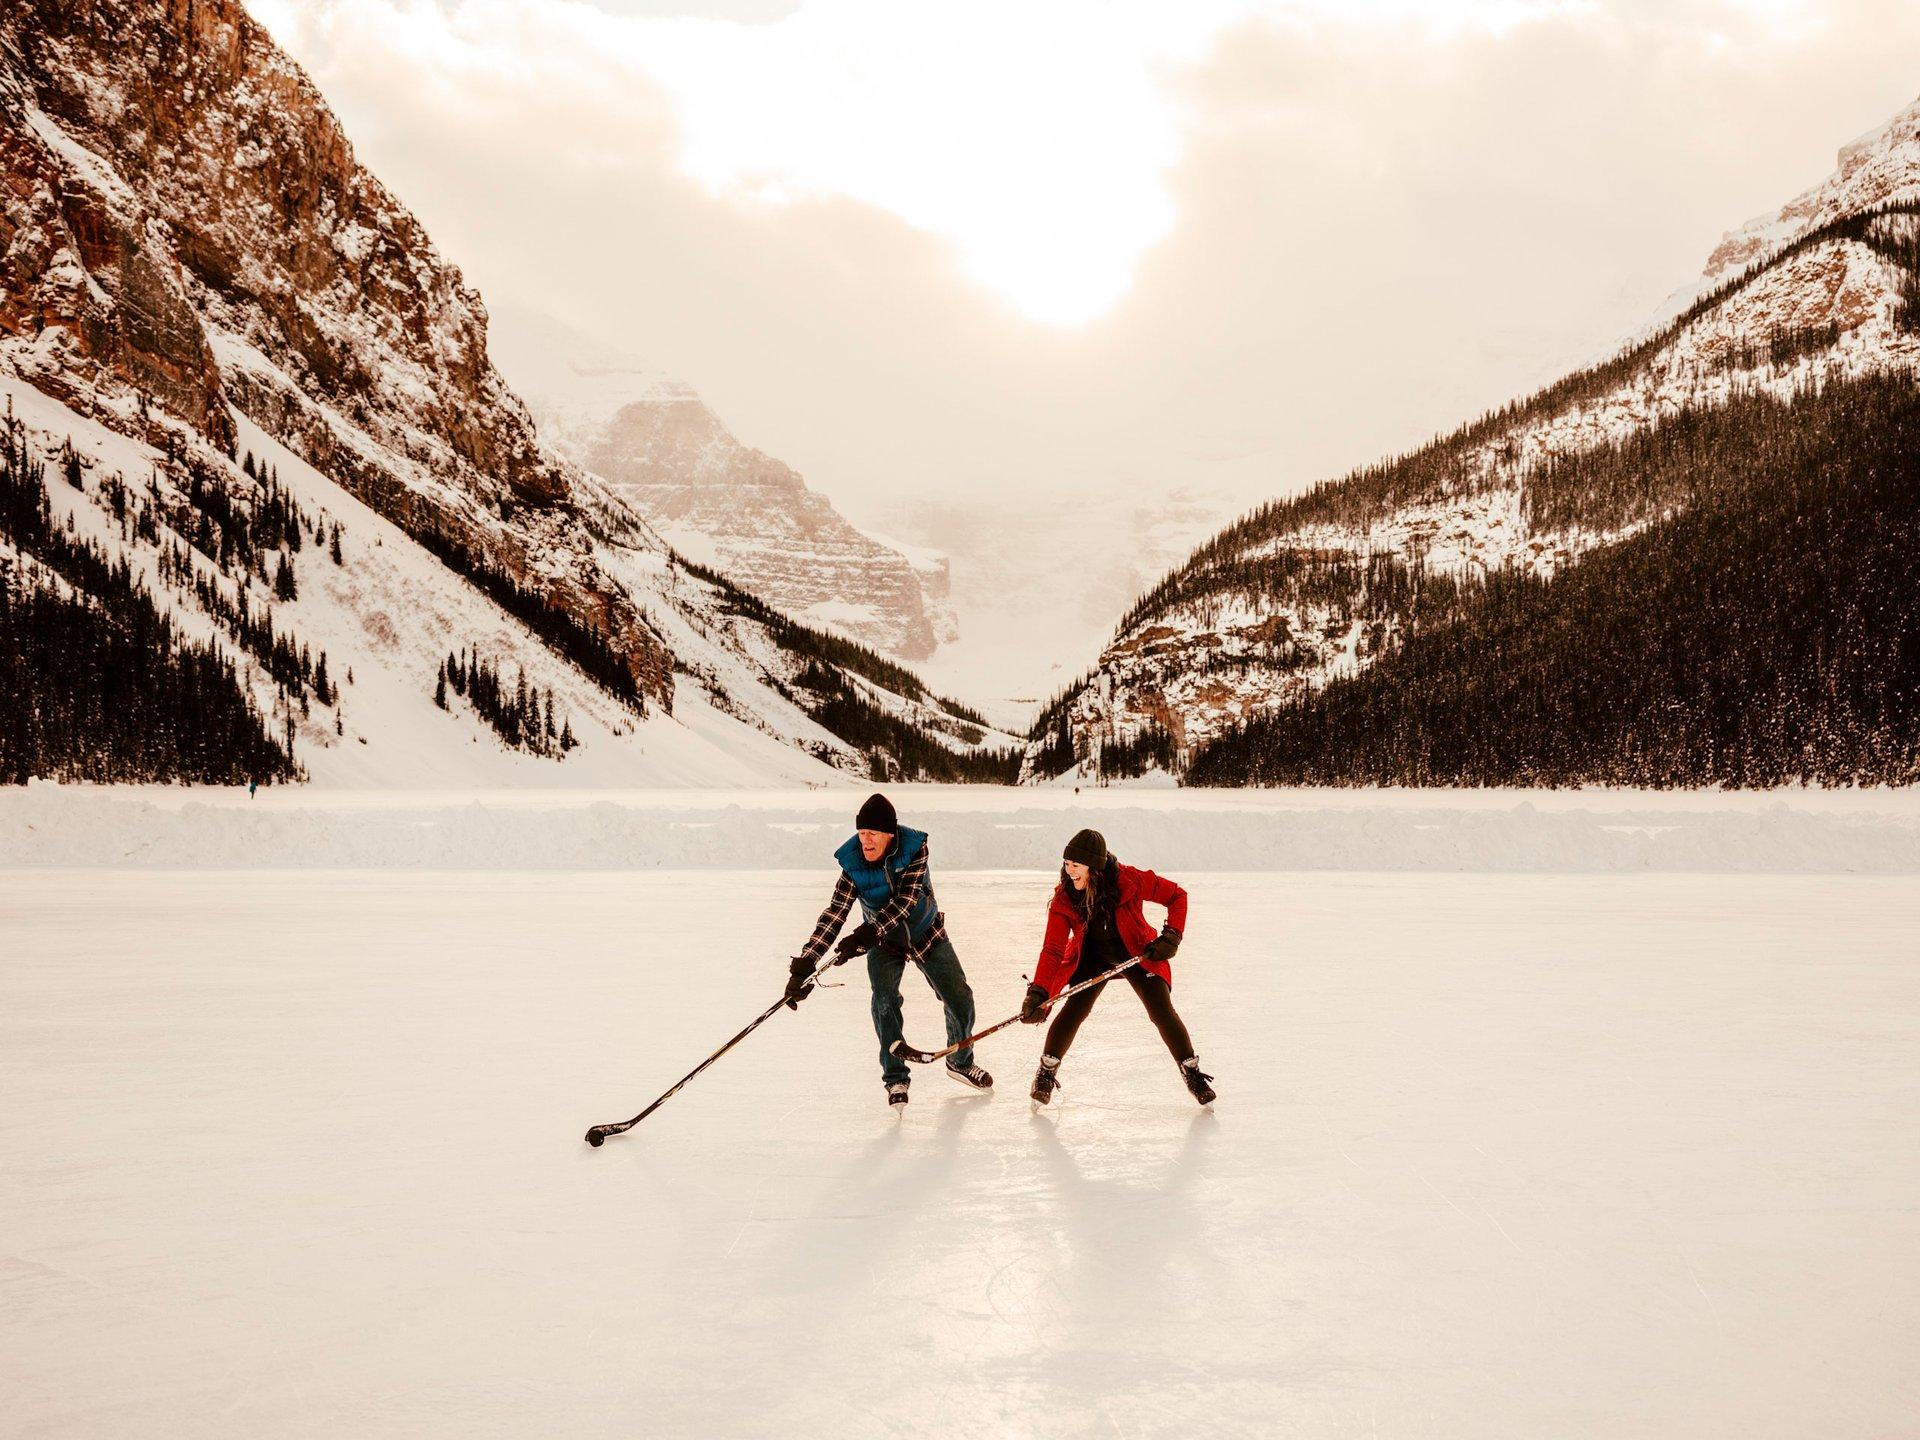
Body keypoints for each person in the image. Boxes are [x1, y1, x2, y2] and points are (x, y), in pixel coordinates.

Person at [785, 793, 992, 1107]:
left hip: (925, 930)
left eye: (873, 834)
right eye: (862, 833)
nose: (865, 841)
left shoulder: (914, 849)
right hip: (883, 942)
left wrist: (867, 930)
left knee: (960, 998)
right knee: (884, 1001)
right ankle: (896, 1079)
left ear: (890, 835)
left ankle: (960, 1062)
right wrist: (807, 960)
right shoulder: (853, 864)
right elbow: (835, 913)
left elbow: (907, 901)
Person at [1020, 828, 1215, 1106]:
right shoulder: (1065, 897)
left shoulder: (1129, 879)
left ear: (1094, 867)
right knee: (1075, 1009)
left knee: (1161, 1010)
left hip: (1136, 951)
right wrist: (1039, 992)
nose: (1069, 871)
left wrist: (1172, 935)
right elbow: (1052, 949)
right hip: (1091, 956)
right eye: (1066, 863)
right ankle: (1046, 1072)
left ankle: (1192, 1072)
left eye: (1076, 865)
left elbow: (1177, 896)